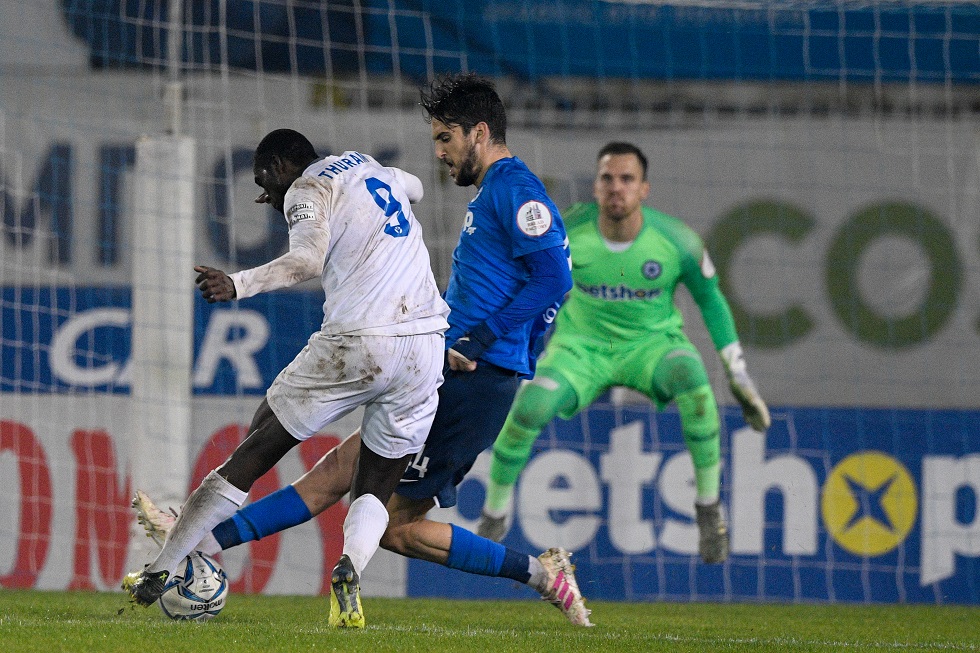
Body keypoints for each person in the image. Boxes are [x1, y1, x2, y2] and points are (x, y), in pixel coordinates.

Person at [132, 74, 592, 627]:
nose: (440, 153)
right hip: (440, 361)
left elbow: (555, 277)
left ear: (480, 132)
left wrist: (485, 337)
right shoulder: (489, 190)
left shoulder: (515, 189)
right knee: (337, 476)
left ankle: (544, 576)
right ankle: (200, 539)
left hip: (473, 374)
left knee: (397, 525)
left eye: (446, 139)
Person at [123, 128, 452, 628]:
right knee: (376, 484)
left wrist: (237, 283)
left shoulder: (305, 189)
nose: (265, 196)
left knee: (256, 446)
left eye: (263, 182)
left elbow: (306, 261)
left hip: (363, 340)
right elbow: (416, 187)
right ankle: (350, 569)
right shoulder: (366, 163)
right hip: (426, 345)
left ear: (281, 166)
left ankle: (161, 571)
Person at [476, 142, 771, 564]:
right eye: (607, 179)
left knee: (692, 377)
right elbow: (524, 281)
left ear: (644, 189)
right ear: (595, 187)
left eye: (627, 179)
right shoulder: (564, 231)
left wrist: (737, 373)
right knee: (531, 406)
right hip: (581, 348)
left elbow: (712, 300)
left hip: (651, 347)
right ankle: (494, 514)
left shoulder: (677, 240)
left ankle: (708, 510)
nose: (617, 188)